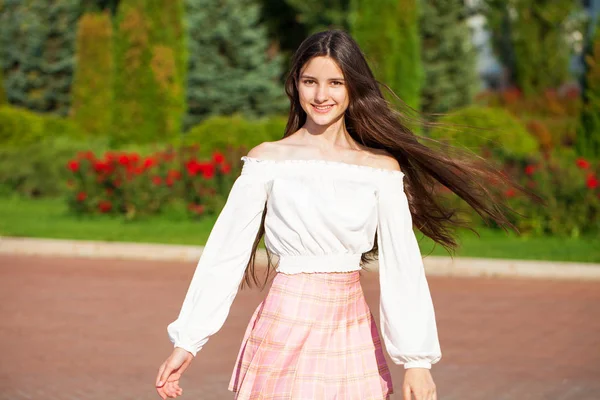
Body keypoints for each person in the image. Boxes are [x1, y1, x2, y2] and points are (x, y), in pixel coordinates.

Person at [155, 29, 517, 400]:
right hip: (284, 326)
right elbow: (225, 255)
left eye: (335, 83)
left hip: (350, 329)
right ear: (295, 84)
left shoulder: (380, 170)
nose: (321, 95)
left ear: (353, 87)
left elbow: (402, 265)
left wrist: (417, 362)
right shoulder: (268, 161)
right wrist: (188, 341)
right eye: (310, 81)